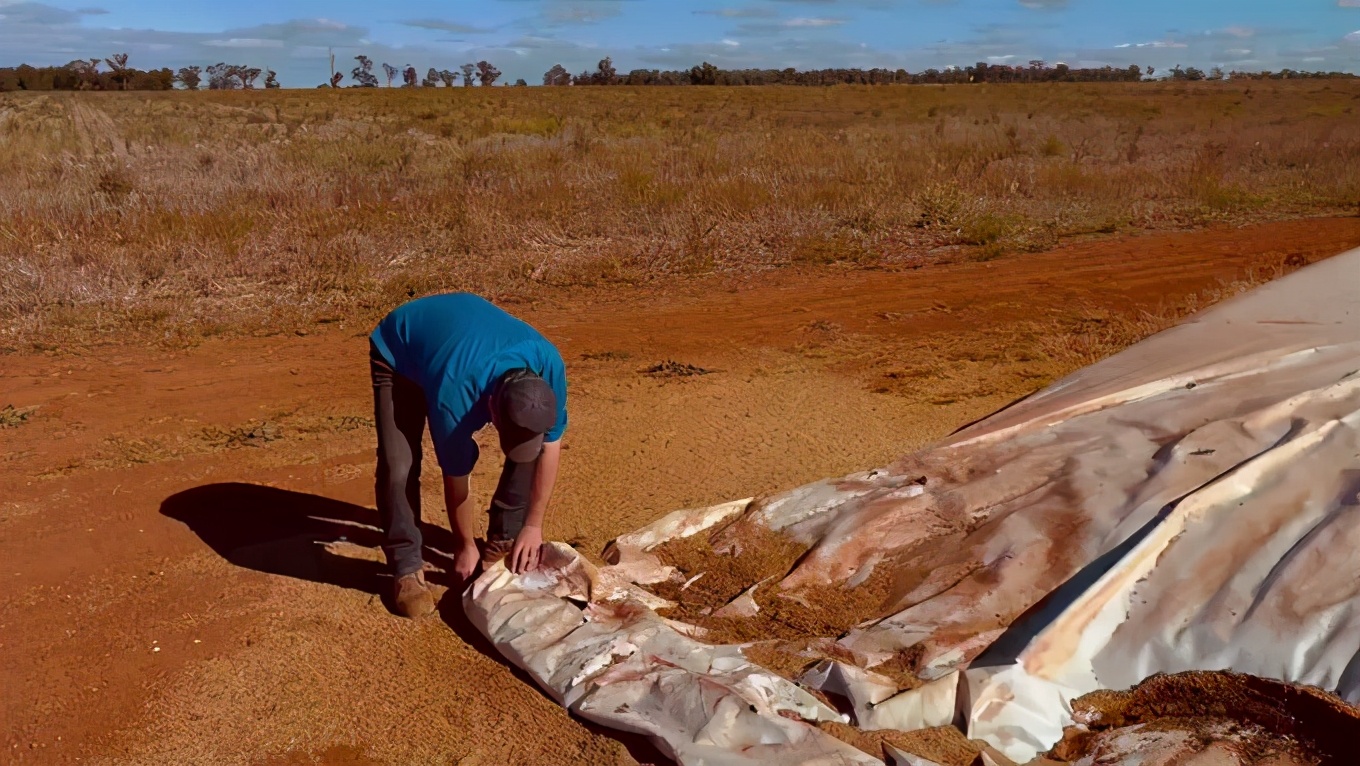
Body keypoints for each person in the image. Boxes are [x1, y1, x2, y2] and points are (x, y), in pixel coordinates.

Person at [367, 292, 568, 618]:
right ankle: (406, 564)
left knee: (527, 444)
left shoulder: (549, 366)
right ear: (490, 409)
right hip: (400, 349)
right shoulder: (456, 397)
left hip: (458, 341)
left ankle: (504, 537)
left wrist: (533, 526)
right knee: (399, 464)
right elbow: (457, 481)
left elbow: (551, 445)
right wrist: (464, 546)